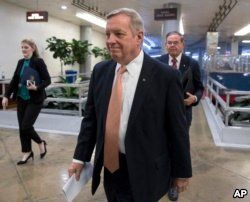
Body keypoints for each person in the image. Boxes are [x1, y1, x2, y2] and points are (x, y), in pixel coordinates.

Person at [68, 8, 191, 202]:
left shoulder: (165, 76)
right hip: (110, 167)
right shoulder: (101, 72)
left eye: (119, 34)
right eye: (108, 34)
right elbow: (91, 119)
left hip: (146, 169)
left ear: (139, 37)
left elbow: (177, 129)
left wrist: (182, 171)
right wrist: (79, 157)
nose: (110, 40)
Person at [158, 31, 204, 201]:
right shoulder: (158, 62)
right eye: (169, 42)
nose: (172, 45)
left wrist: (195, 98)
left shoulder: (191, 63)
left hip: (183, 114)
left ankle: (173, 184)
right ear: (165, 45)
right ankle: (162, 178)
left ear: (182, 44)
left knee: (178, 146)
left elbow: (200, 87)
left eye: (176, 42)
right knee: (161, 145)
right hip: (161, 114)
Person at [2, 39, 51, 165]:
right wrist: (6, 95)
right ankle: (27, 152)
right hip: (21, 98)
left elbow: (47, 80)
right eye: (22, 47)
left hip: (34, 99)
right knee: (22, 128)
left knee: (26, 126)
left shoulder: (38, 62)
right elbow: (14, 80)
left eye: (26, 47)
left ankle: (40, 142)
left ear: (33, 48)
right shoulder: (20, 62)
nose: (23, 49)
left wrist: (37, 87)